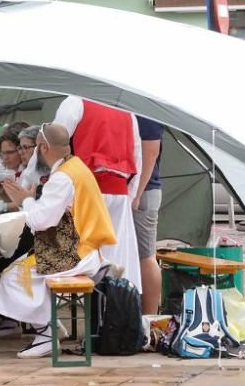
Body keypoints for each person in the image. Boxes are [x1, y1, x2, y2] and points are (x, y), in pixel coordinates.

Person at [0, 123, 117, 358]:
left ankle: (45, 334)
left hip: (76, 254)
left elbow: (40, 221)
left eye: (33, 148)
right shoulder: (76, 166)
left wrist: (25, 201)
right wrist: (28, 199)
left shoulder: (62, 178)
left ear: (43, 147)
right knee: (20, 270)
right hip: (86, 248)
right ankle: (49, 326)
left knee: (11, 277)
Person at [47, 95, 143, 295]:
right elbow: (137, 157)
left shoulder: (74, 102)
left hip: (87, 191)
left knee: (84, 258)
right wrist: (130, 196)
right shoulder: (128, 112)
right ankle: (116, 313)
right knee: (118, 259)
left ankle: (96, 312)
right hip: (119, 193)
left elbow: (52, 146)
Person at [133, 116, 164, 314]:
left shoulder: (144, 112)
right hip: (138, 191)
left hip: (143, 193)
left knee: (146, 256)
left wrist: (137, 193)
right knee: (140, 256)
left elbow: (151, 152)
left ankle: (150, 320)